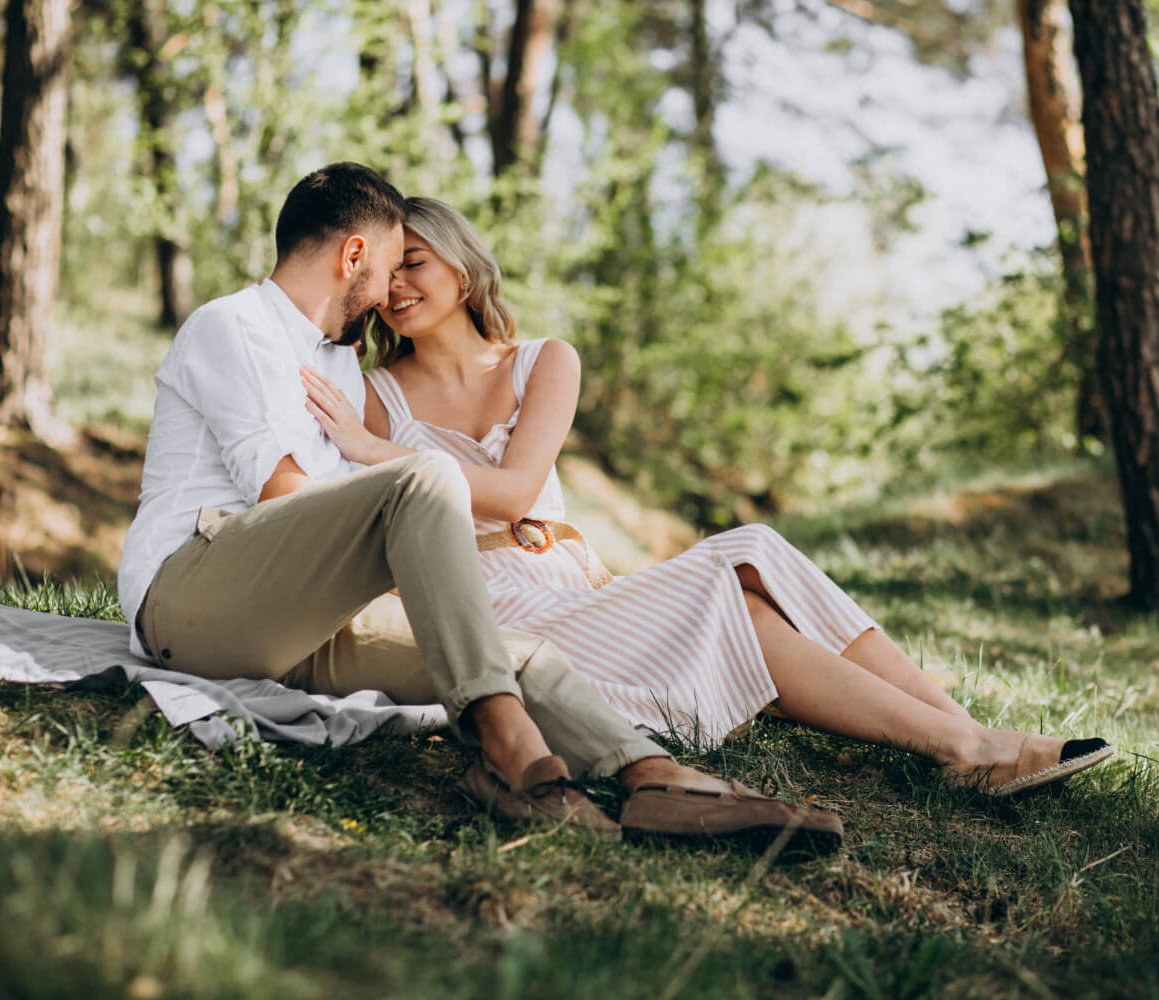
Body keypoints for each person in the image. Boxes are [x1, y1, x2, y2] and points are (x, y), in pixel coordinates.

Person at [117, 163, 844, 854]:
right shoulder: (233, 326)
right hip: (195, 598)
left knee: (513, 655)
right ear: (354, 254)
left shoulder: (337, 360)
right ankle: (520, 758)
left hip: (299, 623)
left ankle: (653, 778)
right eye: (390, 266)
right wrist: (401, 520)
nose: (389, 293)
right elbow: (283, 495)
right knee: (428, 478)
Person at [301, 196, 1115, 798]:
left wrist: (381, 454)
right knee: (747, 561)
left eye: (417, 261)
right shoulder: (376, 400)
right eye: (389, 270)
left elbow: (517, 491)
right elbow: (503, 499)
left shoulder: (543, 362)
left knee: (752, 577)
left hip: (574, 584)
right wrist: (372, 446)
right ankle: (970, 746)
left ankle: (970, 739)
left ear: (461, 261)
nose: (400, 285)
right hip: (491, 607)